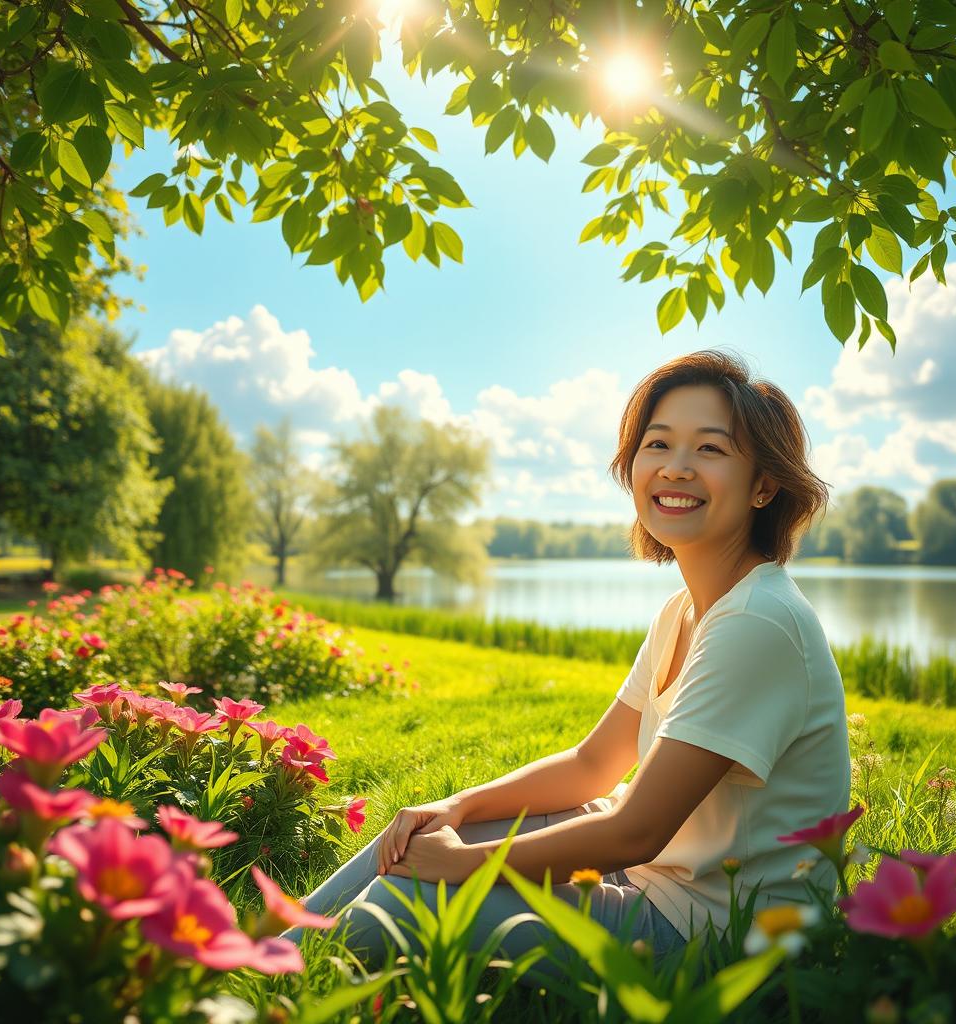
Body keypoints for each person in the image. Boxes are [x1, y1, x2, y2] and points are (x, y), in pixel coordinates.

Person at [283, 349, 851, 986]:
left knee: (408, 898)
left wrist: (464, 866)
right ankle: (270, 956)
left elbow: (636, 832)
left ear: (764, 485)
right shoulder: (686, 610)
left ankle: (268, 987)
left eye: (712, 450)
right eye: (658, 443)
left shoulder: (756, 622)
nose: (676, 468)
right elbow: (593, 766)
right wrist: (458, 808)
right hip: (656, 881)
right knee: (419, 842)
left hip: (713, 936)